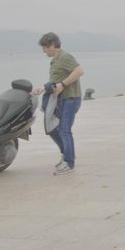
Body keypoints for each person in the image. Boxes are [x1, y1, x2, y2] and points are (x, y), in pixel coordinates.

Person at [30, 33, 84, 175]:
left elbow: (79, 71)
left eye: (44, 48)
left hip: (71, 99)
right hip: (61, 100)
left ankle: (69, 163)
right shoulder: (56, 59)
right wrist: (42, 88)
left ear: (52, 45)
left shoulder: (64, 56)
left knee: (64, 130)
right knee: (53, 129)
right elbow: (56, 80)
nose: (43, 51)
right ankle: (66, 154)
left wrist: (62, 85)